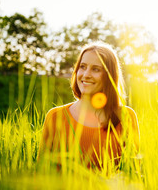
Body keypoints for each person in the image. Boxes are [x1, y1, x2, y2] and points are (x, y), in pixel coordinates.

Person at [37, 41, 140, 170]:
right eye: (82, 67)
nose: (86, 75)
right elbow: (40, 173)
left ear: (110, 76)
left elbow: (134, 173)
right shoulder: (55, 116)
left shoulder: (126, 117)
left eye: (95, 69)